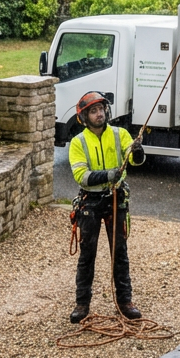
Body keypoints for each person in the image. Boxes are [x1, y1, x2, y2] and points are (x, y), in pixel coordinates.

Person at [67, 91, 145, 323]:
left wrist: (138, 152)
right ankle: (82, 304)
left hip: (116, 199)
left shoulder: (120, 134)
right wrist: (109, 174)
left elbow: (134, 160)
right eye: (93, 110)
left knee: (119, 253)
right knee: (87, 255)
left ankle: (125, 302)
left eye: (101, 109)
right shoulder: (77, 143)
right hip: (90, 202)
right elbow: (82, 176)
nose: (99, 113)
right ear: (84, 117)